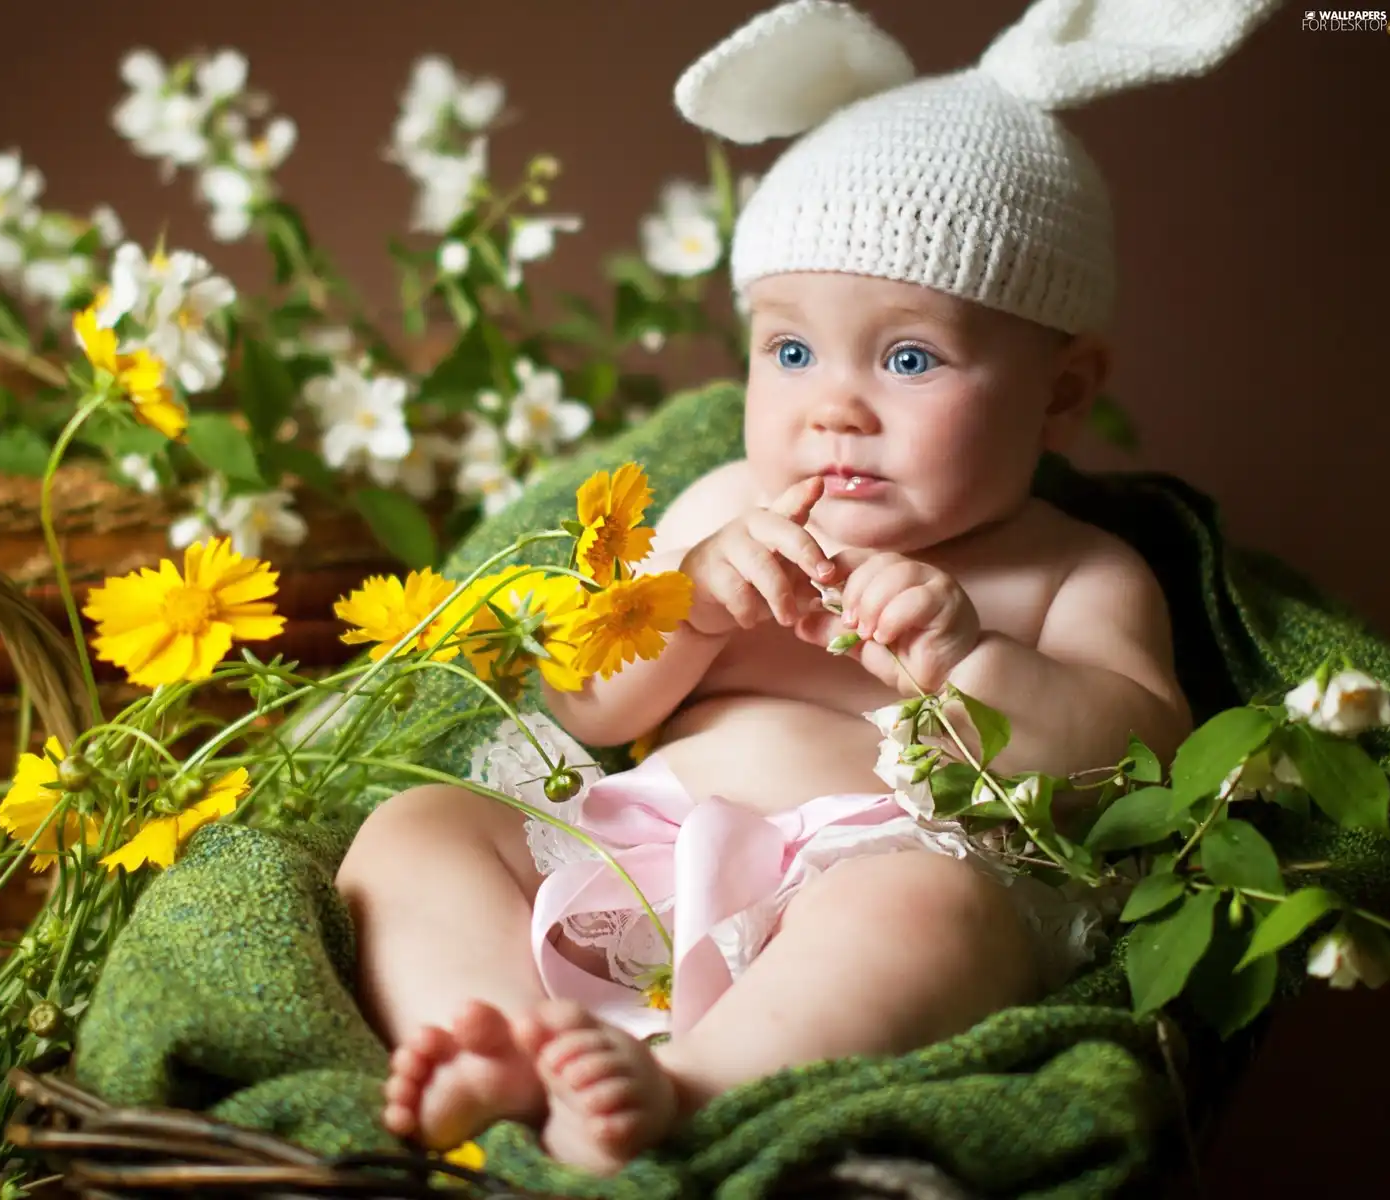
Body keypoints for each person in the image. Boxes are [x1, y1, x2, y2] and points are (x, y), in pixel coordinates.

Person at [334, 0, 1280, 1174]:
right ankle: (492, 1037)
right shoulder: (724, 509)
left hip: (861, 899)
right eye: (791, 351)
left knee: (934, 916)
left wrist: (974, 663)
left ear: (1061, 392)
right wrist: (688, 605)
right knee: (417, 827)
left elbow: (1136, 764)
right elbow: (584, 708)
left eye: (909, 357)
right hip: (631, 857)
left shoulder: (1071, 569)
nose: (835, 404)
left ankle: (681, 1090)